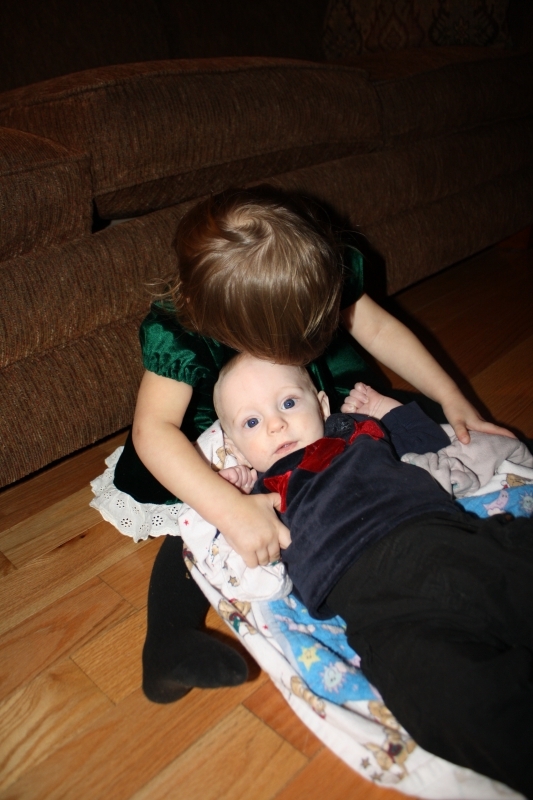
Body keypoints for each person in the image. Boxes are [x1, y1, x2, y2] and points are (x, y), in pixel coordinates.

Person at [109, 185, 513, 704]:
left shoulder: (315, 267)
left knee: (420, 416)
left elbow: (380, 330)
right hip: (233, 430)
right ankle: (167, 640)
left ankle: (469, 472)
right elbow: (152, 432)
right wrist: (231, 508)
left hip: (313, 399)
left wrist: (456, 401)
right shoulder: (183, 325)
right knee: (199, 518)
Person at [213, 353, 533, 798]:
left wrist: (388, 411)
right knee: (449, 702)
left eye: (288, 404)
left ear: (322, 406)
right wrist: (226, 494)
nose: (275, 426)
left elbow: (432, 443)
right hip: (384, 613)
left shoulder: (355, 433)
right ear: (233, 446)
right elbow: (243, 557)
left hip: (447, 545)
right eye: (251, 423)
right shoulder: (258, 497)